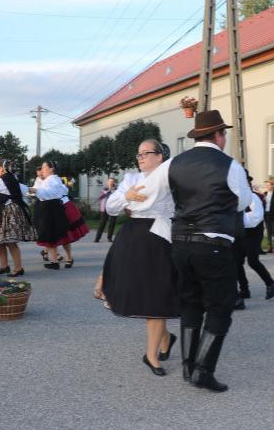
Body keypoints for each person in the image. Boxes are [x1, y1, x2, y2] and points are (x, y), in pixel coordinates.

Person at [125, 110, 251, 392]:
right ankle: (203, 372)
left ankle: (187, 366)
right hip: (214, 242)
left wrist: (128, 197)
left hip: (180, 241)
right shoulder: (230, 165)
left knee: (191, 303)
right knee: (220, 306)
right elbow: (242, 202)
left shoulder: (173, 164)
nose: (225, 138)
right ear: (219, 135)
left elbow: (146, 195)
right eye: (224, 134)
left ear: (197, 135)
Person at [97, 139, 179, 376]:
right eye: (139, 154)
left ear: (160, 156)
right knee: (142, 293)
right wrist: (127, 196)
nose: (140, 157)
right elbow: (111, 208)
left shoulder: (171, 176)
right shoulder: (132, 179)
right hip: (134, 237)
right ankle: (165, 338)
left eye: (146, 153)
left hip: (162, 236)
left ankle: (151, 356)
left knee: (158, 296)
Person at [236, 171, 274, 302]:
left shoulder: (253, 198)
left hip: (253, 234)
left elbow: (255, 218)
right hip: (241, 233)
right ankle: (244, 289)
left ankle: (270, 283)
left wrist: (237, 220)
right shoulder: (238, 198)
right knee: (236, 262)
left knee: (253, 261)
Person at [30, 161, 70, 269]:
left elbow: (46, 193)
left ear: (51, 169)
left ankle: (56, 261)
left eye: (44, 167)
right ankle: (54, 261)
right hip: (49, 208)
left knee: (50, 234)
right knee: (50, 235)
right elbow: (64, 190)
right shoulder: (51, 180)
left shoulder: (52, 180)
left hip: (49, 209)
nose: (42, 170)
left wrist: (30, 189)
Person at [94, 177, 117, 243]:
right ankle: (97, 238)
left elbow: (117, 196)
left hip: (113, 208)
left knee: (112, 224)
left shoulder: (116, 189)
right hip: (105, 208)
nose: (111, 183)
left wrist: (111, 190)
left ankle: (109, 238)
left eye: (112, 181)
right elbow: (100, 197)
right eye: (109, 181)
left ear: (114, 183)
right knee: (102, 223)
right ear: (107, 182)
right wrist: (108, 190)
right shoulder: (104, 188)